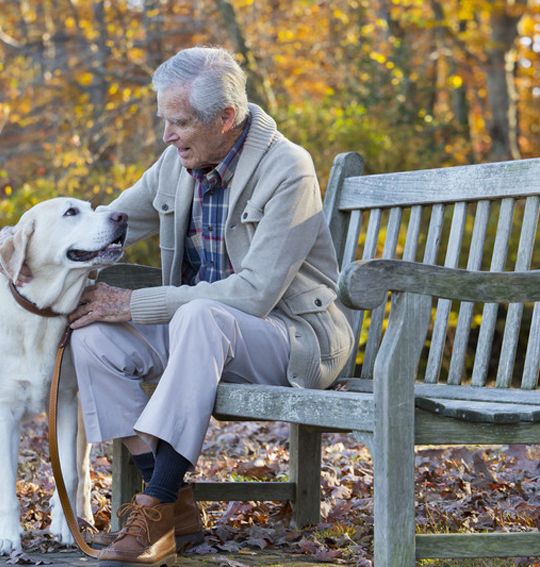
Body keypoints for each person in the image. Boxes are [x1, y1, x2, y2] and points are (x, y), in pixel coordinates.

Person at [64, 46, 354, 567]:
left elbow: (254, 293)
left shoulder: (288, 168)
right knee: (92, 334)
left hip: (292, 339)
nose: (167, 135)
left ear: (225, 118)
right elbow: (111, 222)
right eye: (164, 121)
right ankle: (173, 500)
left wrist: (135, 303)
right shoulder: (176, 164)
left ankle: (152, 507)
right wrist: (41, 254)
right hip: (205, 333)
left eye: (178, 122)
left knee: (197, 314)